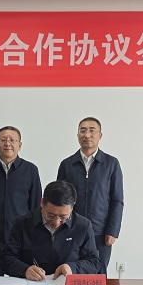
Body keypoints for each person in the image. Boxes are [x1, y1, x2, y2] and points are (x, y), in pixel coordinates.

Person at [57, 117, 123, 275]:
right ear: (77, 135)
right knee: (71, 275)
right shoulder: (67, 164)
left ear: (100, 135)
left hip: (100, 232)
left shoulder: (111, 164)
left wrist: (112, 230)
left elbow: (117, 200)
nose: (87, 135)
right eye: (83, 130)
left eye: (92, 130)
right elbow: (59, 201)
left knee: (98, 277)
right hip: (71, 230)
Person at [0, 126, 42, 277]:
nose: (7, 143)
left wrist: (35, 234)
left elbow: (36, 206)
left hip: (21, 236)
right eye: (3, 140)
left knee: (20, 279)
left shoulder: (31, 170)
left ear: (20, 145)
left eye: (12, 140)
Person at [0, 180, 101, 280]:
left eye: (63, 217)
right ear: (42, 203)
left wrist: (72, 268)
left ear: (72, 207)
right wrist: (25, 270)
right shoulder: (23, 223)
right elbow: (5, 258)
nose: (56, 223)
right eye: (50, 216)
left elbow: (94, 262)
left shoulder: (83, 226)